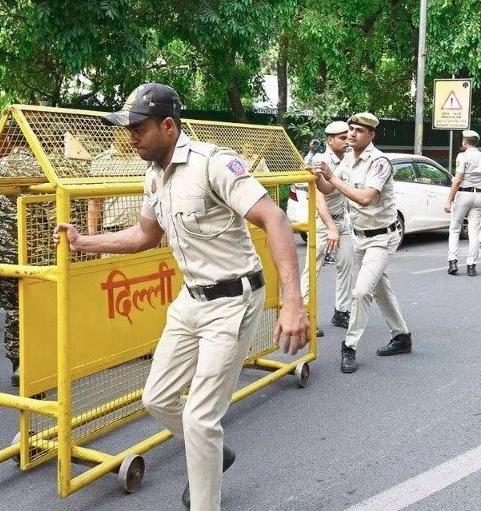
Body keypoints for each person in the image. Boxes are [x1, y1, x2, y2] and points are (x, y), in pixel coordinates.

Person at [53, 83, 308, 510]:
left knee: (200, 417)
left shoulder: (213, 164)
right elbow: (144, 235)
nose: (131, 138)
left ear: (168, 126)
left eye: (139, 129)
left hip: (232, 301)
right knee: (156, 398)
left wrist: (293, 303)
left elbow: (275, 219)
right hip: (190, 299)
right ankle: (212, 454)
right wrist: (83, 241)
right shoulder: (154, 176)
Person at [312, 112, 412, 374]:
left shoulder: (379, 162)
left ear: (371, 135)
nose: (352, 134)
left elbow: (365, 198)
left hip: (382, 238)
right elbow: (327, 190)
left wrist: (332, 177)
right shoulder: (348, 158)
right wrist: (319, 175)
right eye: (351, 129)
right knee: (379, 288)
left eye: (359, 130)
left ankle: (349, 346)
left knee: (360, 292)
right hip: (359, 236)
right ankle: (401, 336)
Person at [0, 145, 44, 386]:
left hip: (6, 256)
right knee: (40, 309)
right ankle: (40, 361)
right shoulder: (43, 167)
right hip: (38, 256)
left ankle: (18, 364)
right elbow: (54, 217)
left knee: (14, 310)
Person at [300, 121, 354, 337]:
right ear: (330, 140)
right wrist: (331, 227)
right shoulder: (321, 162)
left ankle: (341, 311)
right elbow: (319, 198)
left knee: (346, 263)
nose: (347, 141)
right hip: (323, 222)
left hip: (342, 220)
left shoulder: (348, 160)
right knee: (312, 268)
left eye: (348, 137)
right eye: (342, 138)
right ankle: (305, 315)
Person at [443, 130, 481, 276]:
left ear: (465, 142)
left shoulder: (462, 156)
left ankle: (453, 261)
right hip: (478, 195)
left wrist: (449, 200)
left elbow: (458, 180)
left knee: (455, 228)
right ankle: (471, 265)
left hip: (464, 194)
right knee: (474, 232)